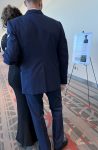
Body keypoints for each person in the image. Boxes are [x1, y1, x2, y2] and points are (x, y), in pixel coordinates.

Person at [3, 0, 69, 149]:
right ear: (41, 2)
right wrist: (63, 80)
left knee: (37, 115)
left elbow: (11, 57)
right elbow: (63, 56)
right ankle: (58, 143)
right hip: (53, 77)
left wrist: (5, 53)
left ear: (25, 3)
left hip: (30, 78)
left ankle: (44, 146)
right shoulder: (56, 24)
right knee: (57, 110)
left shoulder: (15, 24)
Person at [1, 5, 37, 147]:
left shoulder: (6, 37)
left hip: (16, 75)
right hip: (22, 74)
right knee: (25, 105)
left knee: (25, 105)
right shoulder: (21, 34)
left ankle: (28, 134)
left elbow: (8, 55)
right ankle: (26, 137)